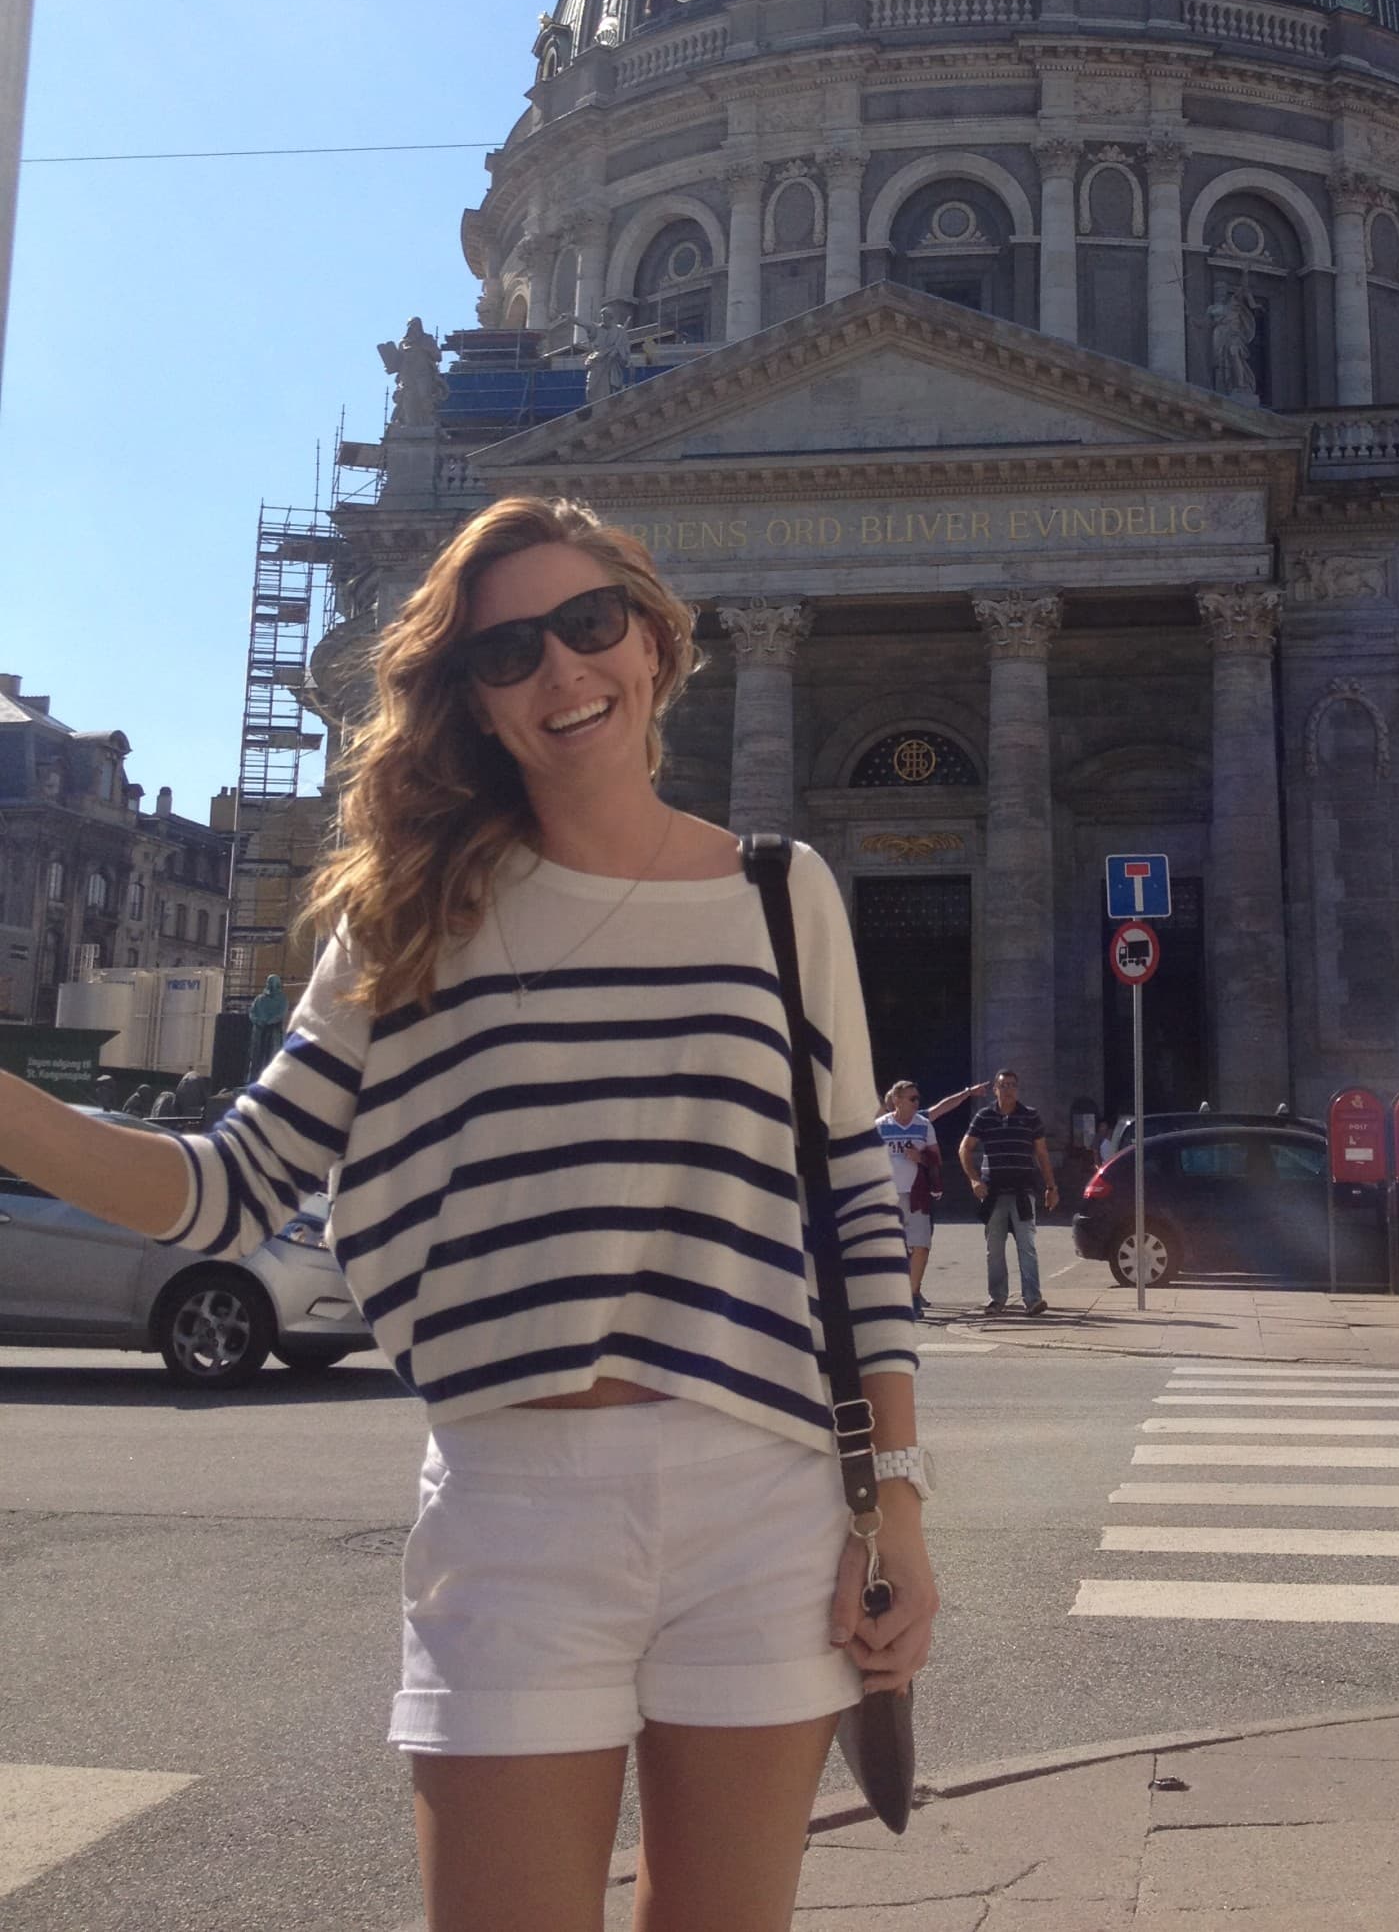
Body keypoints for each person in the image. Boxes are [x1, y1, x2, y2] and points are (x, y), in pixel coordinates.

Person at [0, 495, 937, 1932]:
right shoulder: (410, 915)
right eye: (509, 651)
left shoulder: (778, 890)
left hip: (765, 1494)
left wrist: (901, 1507)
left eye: (588, 623)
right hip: (517, 1503)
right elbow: (229, 1186)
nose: (563, 669)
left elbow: (856, 1210)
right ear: (474, 699)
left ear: (653, 638)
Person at [876, 1077, 987, 1318]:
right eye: (912, 1098)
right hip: (888, 1196)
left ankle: (912, 1294)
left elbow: (943, 1110)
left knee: (920, 1245)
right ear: (896, 1100)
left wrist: (968, 1092)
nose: (917, 1102)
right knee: (892, 1247)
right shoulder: (880, 1126)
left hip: (918, 1194)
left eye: (917, 1098)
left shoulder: (923, 1122)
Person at [960, 1068, 1060, 1315]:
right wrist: (974, 1180)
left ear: (1018, 1089)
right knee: (994, 1249)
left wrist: (1051, 1187)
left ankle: (1033, 1299)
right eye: (1003, 1085)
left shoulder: (1030, 1116)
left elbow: (1042, 1154)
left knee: (1027, 1246)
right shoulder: (984, 1116)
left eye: (1012, 1085)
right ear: (995, 1089)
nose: (1008, 1090)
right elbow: (964, 1148)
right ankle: (997, 1299)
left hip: (1023, 1191)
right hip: (993, 1192)